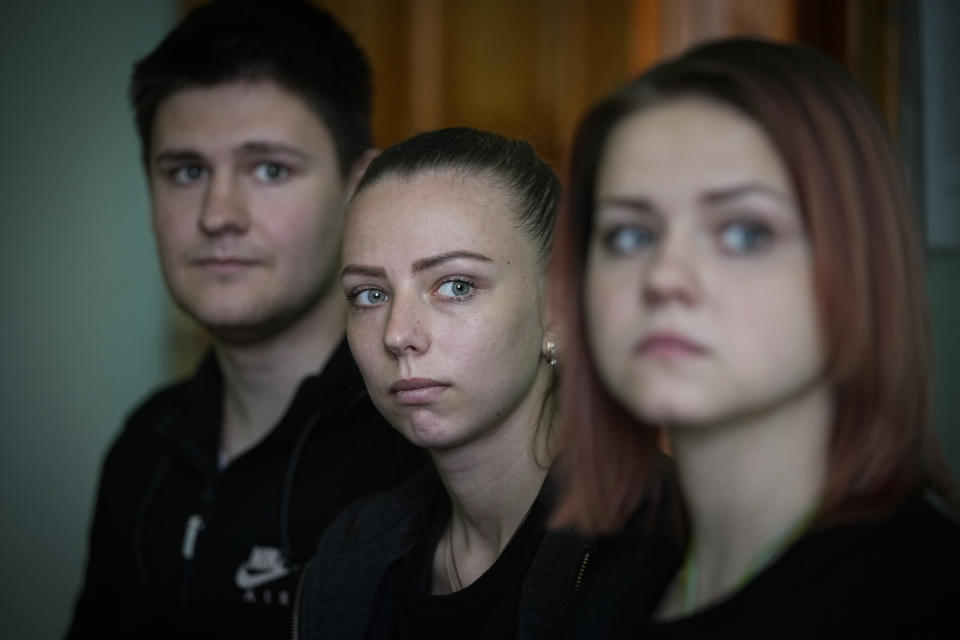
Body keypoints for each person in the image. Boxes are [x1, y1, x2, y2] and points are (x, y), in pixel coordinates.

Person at [551, 38, 960, 638]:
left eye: (744, 233)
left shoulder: (927, 600)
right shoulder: (608, 587)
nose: (664, 276)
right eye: (631, 236)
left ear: (858, 267)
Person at [66, 2, 423, 637]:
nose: (217, 214)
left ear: (358, 188)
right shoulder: (143, 448)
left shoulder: (426, 456)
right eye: (187, 170)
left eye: (269, 168)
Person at [294, 126, 596, 640]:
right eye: (369, 294)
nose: (397, 334)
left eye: (456, 286)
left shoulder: (659, 550)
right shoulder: (348, 557)